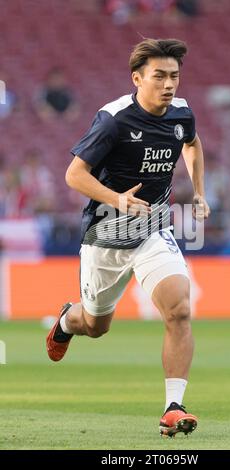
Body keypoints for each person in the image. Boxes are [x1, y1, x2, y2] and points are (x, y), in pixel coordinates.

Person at [46, 38, 210, 437]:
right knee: (95, 325)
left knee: (179, 310)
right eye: (160, 76)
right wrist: (117, 198)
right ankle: (68, 321)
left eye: (174, 75)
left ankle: (173, 407)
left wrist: (199, 190)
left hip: (152, 229)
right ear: (138, 78)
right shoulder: (113, 119)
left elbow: (191, 143)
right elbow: (74, 175)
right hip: (104, 234)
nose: (169, 84)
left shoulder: (182, 113)